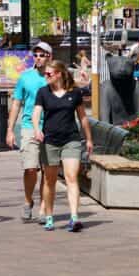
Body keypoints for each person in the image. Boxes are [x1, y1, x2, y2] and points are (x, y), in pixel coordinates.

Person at [32, 60, 94, 232]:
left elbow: (82, 118)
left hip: (71, 139)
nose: (46, 76)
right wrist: (37, 130)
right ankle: (49, 217)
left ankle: (74, 217)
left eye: (49, 74)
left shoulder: (74, 93)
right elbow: (36, 114)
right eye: (45, 74)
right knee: (49, 180)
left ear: (59, 74)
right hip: (50, 140)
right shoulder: (43, 92)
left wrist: (88, 139)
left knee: (71, 177)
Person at [5, 41, 53, 223]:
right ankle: (28, 200)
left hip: (51, 127)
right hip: (28, 127)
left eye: (43, 55)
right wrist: (10, 130)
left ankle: (42, 208)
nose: (39, 58)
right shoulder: (25, 77)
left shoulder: (55, 76)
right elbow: (16, 103)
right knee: (31, 168)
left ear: (50, 57)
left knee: (47, 170)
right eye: (37, 55)